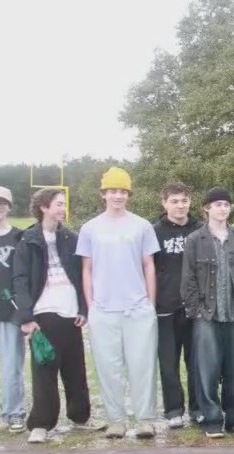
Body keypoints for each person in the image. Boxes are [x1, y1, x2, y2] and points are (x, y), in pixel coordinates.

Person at [77, 166, 160, 439]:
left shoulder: (142, 225)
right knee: (108, 368)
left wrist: (149, 303)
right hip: (103, 310)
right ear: (104, 194)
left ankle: (145, 419)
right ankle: (116, 420)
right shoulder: (90, 228)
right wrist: (91, 306)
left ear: (128, 194)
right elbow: (86, 268)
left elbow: (149, 265)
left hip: (137, 309)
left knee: (142, 366)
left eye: (122, 191)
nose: (117, 196)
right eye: (112, 190)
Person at [13, 189, 101, 444]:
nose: (63, 208)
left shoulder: (71, 238)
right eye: (59, 204)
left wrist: (84, 309)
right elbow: (20, 280)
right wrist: (27, 317)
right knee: (44, 369)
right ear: (43, 206)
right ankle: (41, 424)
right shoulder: (27, 239)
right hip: (42, 315)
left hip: (71, 313)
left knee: (75, 368)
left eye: (64, 204)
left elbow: (84, 274)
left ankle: (80, 418)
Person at [182, 187, 234, 438]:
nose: (222, 208)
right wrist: (198, 311)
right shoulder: (195, 240)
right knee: (207, 369)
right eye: (217, 205)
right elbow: (188, 279)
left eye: (226, 204)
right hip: (208, 315)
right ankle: (212, 419)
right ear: (206, 208)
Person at [152, 181, 200, 428]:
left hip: (195, 309)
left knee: (196, 362)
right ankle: (173, 409)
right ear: (164, 203)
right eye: (174, 201)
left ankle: (197, 407)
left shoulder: (200, 229)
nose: (180, 205)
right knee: (168, 363)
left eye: (184, 200)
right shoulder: (154, 231)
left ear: (190, 202)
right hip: (165, 309)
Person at [0, 185, 25, 433]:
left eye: (2, 203)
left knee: (11, 365)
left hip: (9, 310)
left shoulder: (19, 237)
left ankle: (14, 412)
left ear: (8, 206)